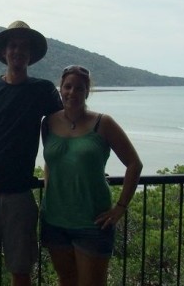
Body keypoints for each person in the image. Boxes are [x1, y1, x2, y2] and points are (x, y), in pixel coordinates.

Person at [0, 20, 63, 286]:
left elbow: (65, 127)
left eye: (24, 47)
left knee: (21, 270)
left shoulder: (43, 90)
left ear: (30, 55)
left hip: (19, 194)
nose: (18, 51)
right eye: (13, 46)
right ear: (5, 52)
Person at [40, 65, 143, 286]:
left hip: (92, 222)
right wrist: (50, 192)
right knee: (66, 280)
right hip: (54, 220)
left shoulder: (103, 123)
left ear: (87, 92)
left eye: (79, 88)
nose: (72, 93)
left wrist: (120, 207)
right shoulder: (47, 123)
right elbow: (50, 163)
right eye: (68, 87)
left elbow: (134, 164)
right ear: (60, 88)